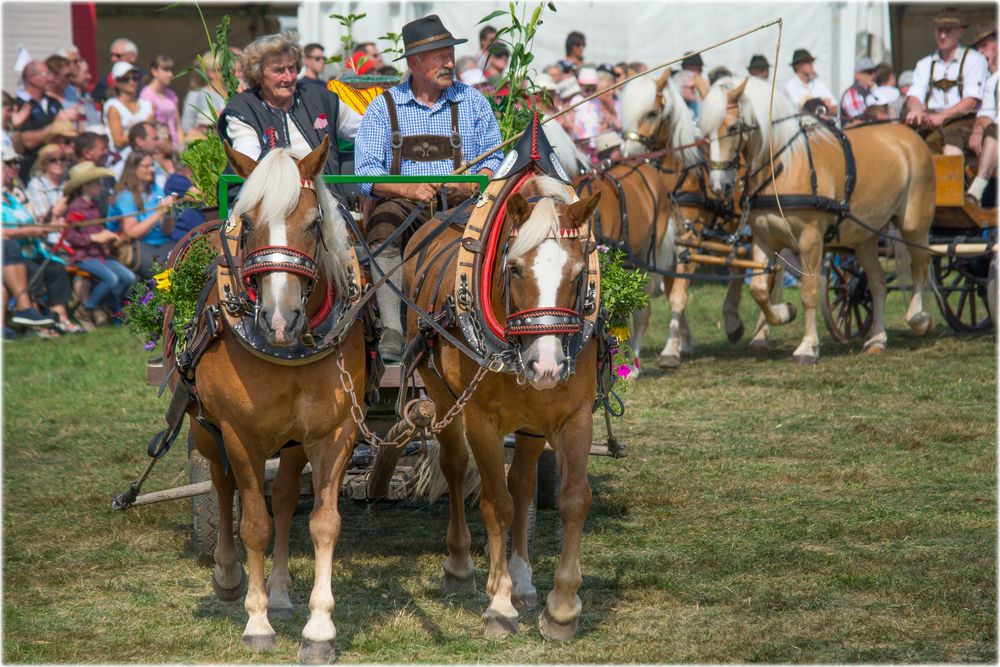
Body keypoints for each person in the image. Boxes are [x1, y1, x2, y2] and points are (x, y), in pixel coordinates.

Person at [354, 14, 503, 360]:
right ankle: (392, 329)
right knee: (383, 226)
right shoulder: (383, 108)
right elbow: (365, 173)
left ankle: (476, 319)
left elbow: (496, 158)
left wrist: (472, 183)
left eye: (450, 54)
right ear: (414, 62)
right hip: (405, 205)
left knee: (489, 233)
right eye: (440, 56)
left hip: (462, 203)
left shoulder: (473, 102)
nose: (450, 62)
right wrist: (408, 190)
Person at [219, 32, 361, 178]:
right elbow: (251, 164)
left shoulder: (320, 98)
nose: (288, 77)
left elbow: (365, 131)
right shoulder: (244, 109)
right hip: (272, 197)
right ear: (258, 74)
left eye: (291, 68)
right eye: (279, 70)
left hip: (328, 198)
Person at [2, 144, 78, 334]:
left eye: (18, 162)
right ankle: (36, 322)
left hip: (32, 249)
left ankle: (60, 318)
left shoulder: (17, 195)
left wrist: (44, 225)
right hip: (13, 255)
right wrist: (29, 231)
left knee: (56, 268)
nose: (15, 167)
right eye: (9, 163)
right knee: (33, 269)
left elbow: (34, 219)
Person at [905, 6, 989, 156]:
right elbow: (914, 94)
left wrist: (942, 116)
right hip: (931, 118)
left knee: (937, 140)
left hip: (964, 119)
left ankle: (947, 179)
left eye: (948, 30)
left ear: (960, 31)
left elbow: (971, 101)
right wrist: (916, 109)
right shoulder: (924, 63)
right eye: (939, 30)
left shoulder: (975, 60)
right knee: (903, 138)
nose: (942, 35)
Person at [63, 160, 135, 328]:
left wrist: (109, 236)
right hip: (83, 256)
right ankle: (86, 309)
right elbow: (69, 234)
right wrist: (92, 238)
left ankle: (109, 308)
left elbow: (99, 231)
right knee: (111, 279)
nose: (99, 185)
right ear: (85, 186)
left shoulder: (95, 205)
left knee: (128, 277)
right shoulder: (75, 207)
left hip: (100, 255)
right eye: (96, 182)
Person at [107, 151, 177, 280]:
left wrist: (168, 214)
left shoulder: (156, 190)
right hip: (136, 244)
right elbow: (132, 233)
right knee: (163, 273)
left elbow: (167, 230)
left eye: (152, 166)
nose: (151, 170)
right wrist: (159, 213)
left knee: (183, 262)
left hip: (161, 243)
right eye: (146, 166)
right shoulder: (125, 196)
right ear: (134, 169)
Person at [14, 61, 78, 182]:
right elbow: (26, 141)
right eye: (46, 74)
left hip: (57, 170)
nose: (51, 78)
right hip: (32, 170)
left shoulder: (54, 102)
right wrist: (55, 125)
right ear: (32, 78)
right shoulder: (20, 104)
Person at [967, 22, 998, 206]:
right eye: (978, 48)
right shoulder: (990, 80)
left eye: (985, 45)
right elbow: (986, 113)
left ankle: (977, 189)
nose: (980, 51)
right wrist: (977, 130)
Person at [104, 61, 154, 166]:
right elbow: (118, 141)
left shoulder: (147, 104)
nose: (132, 82)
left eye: (135, 78)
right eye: (126, 79)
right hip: (123, 161)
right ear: (116, 82)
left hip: (148, 158)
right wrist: (142, 126)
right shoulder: (113, 106)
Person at [180, 52, 227, 138]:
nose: (226, 72)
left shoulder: (231, 93)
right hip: (207, 145)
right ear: (210, 73)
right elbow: (186, 127)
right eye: (221, 69)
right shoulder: (196, 95)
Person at [140, 54, 182, 148]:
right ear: (154, 71)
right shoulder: (146, 95)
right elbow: (147, 126)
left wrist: (181, 146)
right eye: (166, 70)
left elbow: (178, 125)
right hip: (159, 147)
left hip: (175, 146)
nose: (170, 74)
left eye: (171, 71)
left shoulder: (171, 94)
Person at [25, 143, 69, 224]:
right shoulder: (36, 184)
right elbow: (46, 219)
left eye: (62, 159)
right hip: (49, 234)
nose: (59, 162)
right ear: (44, 164)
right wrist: (66, 197)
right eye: (53, 160)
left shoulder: (68, 183)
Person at [784, 48, 838, 115]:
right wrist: (824, 103)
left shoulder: (818, 83)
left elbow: (834, 108)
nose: (811, 64)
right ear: (797, 66)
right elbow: (807, 107)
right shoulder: (791, 85)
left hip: (821, 123)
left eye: (811, 61)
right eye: (807, 62)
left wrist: (820, 105)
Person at [94, 38, 143, 103]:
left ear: (132, 57)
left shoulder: (143, 77)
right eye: (111, 55)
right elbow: (93, 100)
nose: (113, 59)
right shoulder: (105, 80)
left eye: (118, 56)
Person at [840, 57, 878, 125]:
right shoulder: (851, 94)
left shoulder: (871, 93)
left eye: (875, 72)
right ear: (857, 75)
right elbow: (859, 119)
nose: (874, 75)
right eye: (869, 72)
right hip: (856, 134)